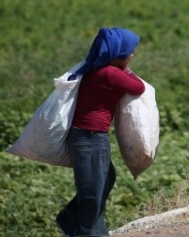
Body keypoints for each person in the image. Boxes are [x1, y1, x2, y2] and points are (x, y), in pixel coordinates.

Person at [57, 27, 145, 237]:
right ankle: (84, 230)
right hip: (90, 138)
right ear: (119, 54)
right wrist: (125, 67)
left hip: (89, 137)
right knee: (92, 192)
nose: (133, 55)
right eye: (130, 52)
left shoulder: (96, 69)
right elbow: (138, 87)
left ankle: (83, 224)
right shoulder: (109, 73)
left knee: (105, 180)